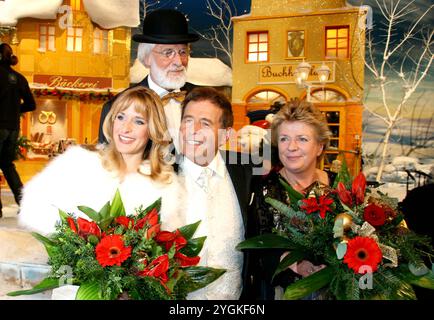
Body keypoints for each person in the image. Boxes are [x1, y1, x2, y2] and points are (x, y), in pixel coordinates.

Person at [18, 87, 185, 235]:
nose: (125, 128)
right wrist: (77, 241)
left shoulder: (165, 185)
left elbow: (170, 244)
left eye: (138, 121)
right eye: (120, 117)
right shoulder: (77, 164)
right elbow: (33, 208)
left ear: (152, 130)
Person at [244, 99, 333, 300]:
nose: (291, 147)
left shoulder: (339, 188)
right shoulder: (261, 190)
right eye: (284, 139)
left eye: (302, 139)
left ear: (319, 146)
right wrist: (296, 265)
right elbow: (255, 251)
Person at [177, 87, 253, 300]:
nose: (194, 130)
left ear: (226, 135)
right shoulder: (160, 174)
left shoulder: (245, 172)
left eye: (206, 123)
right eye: (188, 120)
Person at [98, 9, 199, 148]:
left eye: (183, 52)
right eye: (168, 52)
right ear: (147, 58)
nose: (179, 62)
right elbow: (110, 163)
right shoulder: (116, 106)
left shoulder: (203, 100)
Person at [0, 43, 36, 218]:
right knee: (8, 165)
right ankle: (25, 204)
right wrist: (14, 110)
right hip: (13, 128)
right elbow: (31, 104)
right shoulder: (19, 78)